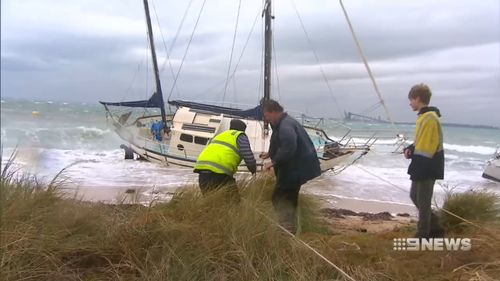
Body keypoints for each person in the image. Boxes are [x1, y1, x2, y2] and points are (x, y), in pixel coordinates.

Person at [260, 99, 321, 234]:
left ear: (273, 112)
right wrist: (270, 154)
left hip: (295, 169)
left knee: (280, 198)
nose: (265, 118)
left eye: (266, 115)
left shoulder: (286, 125)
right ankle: (289, 227)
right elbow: (277, 141)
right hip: (295, 168)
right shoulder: (282, 122)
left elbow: (289, 147)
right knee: (288, 197)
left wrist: (273, 162)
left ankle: (286, 229)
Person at [404, 83, 445, 239]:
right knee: (414, 196)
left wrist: (417, 164)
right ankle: (436, 227)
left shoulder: (429, 118)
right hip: (421, 164)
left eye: (411, 100)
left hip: (428, 166)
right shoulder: (423, 117)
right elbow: (421, 141)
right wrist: (411, 148)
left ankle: (423, 234)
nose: (410, 103)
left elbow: (428, 148)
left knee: (423, 201)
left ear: (418, 99)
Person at [193, 119, 257, 197]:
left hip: (203, 173)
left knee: (210, 203)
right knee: (233, 202)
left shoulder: (220, 135)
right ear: (243, 130)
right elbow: (249, 157)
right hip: (219, 174)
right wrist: (253, 171)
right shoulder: (240, 136)